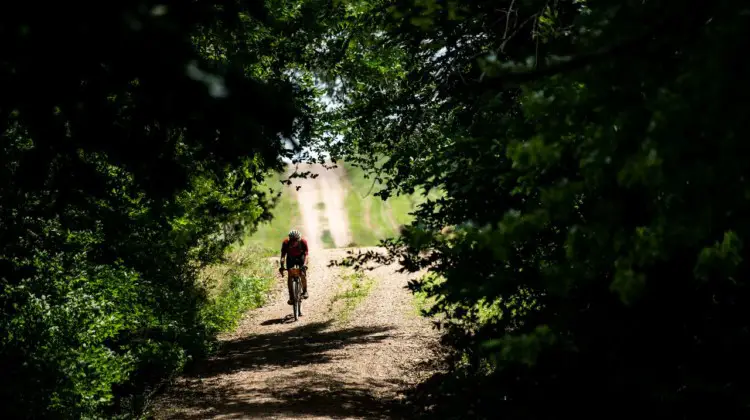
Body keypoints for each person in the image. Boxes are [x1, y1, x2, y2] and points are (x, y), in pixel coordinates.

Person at [279, 229, 309, 305]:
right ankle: (291, 297)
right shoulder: (286, 243)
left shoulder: (303, 242)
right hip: (290, 258)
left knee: (302, 274)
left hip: (300, 257)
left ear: (299, 239)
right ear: (289, 239)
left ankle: (305, 291)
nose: (294, 242)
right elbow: (283, 256)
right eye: (292, 240)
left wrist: (304, 265)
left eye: (295, 240)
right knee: (290, 275)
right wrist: (282, 266)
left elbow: (306, 255)